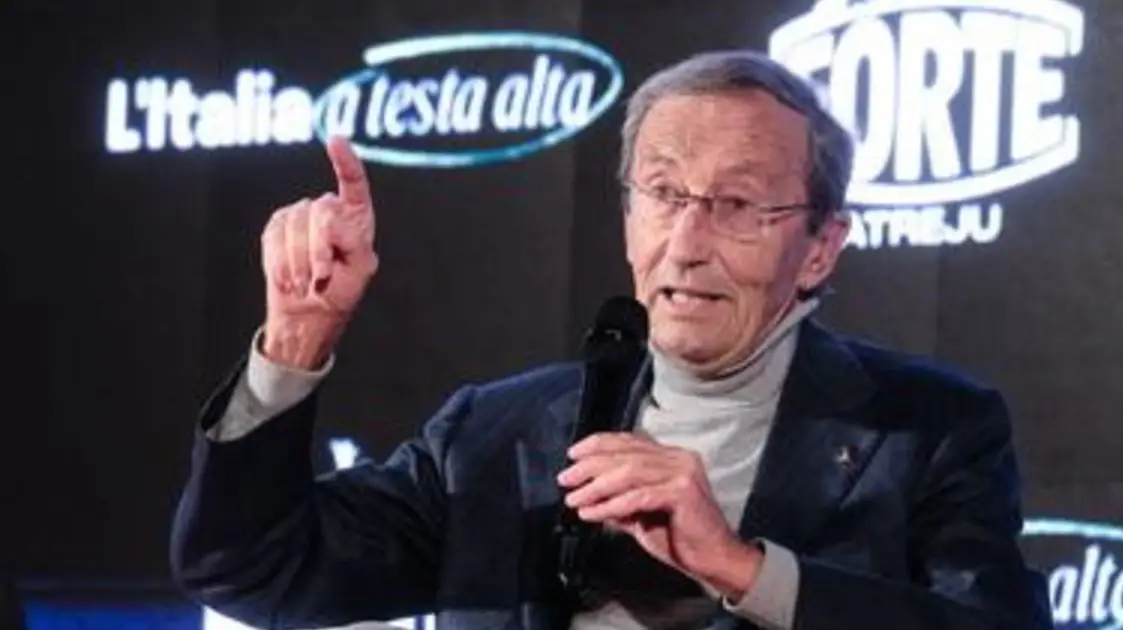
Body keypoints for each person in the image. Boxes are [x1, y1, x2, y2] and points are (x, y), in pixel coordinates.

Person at [170, 51, 1051, 630]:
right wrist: (294, 341)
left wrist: (743, 569)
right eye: (663, 194)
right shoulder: (493, 436)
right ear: (630, 216)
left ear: (820, 246)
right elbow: (249, 570)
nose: (688, 242)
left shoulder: (928, 430)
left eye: (737, 204)